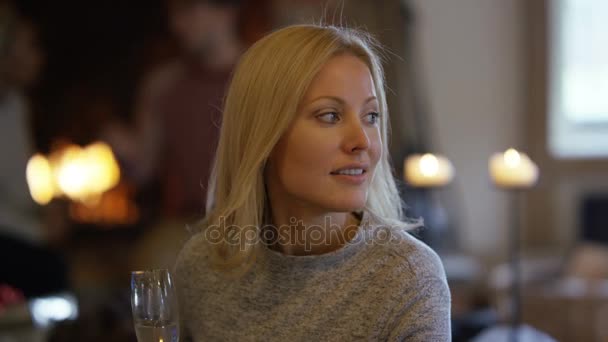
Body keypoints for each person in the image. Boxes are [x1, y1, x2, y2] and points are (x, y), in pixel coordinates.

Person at [173, 24, 451, 341]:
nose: (362, 141)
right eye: (330, 115)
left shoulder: (409, 277)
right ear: (264, 136)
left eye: (371, 116)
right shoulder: (202, 267)